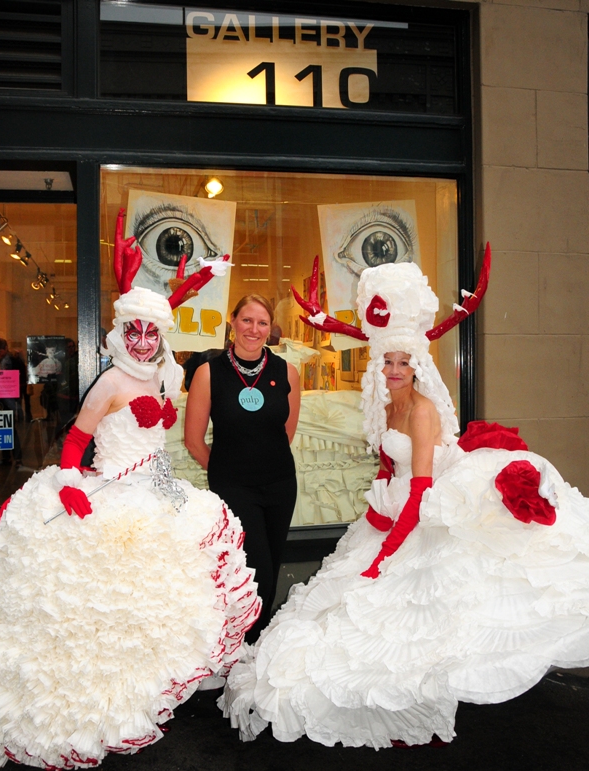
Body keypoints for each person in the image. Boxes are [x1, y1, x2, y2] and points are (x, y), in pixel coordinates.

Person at [220, 258, 589, 749]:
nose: (394, 371)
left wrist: (386, 553)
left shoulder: (420, 411)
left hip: (424, 516)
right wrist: (375, 518)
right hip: (392, 513)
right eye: (388, 362)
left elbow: (419, 491)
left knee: (412, 620)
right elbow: (389, 470)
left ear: (420, 367)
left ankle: (413, 702)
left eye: (404, 364)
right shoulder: (388, 404)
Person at [0, 210, 260, 769]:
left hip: (159, 487)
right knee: (113, 597)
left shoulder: (167, 375)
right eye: (133, 330)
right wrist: (68, 483)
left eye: (151, 331)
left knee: (185, 575)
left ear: (162, 335)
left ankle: (179, 671)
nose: (141, 340)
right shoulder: (110, 381)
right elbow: (74, 440)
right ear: (121, 332)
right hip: (115, 492)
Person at [185, 295, 301, 642]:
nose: (254, 329)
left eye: (262, 322)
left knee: (272, 566)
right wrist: (226, 473)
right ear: (232, 322)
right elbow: (193, 440)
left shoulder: (286, 371)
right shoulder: (208, 373)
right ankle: (246, 644)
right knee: (256, 570)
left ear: (270, 328)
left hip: (280, 485)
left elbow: (287, 432)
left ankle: (252, 644)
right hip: (235, 489)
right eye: (247, 320)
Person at [0, 337, 23, 466]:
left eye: (0, 351)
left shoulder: (14, 361)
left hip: (8, 399)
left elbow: (20, 378)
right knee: (2, 428)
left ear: (5, 349)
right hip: (0, 400)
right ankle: (7, 457)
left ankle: (17, 457)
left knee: (10, 428)